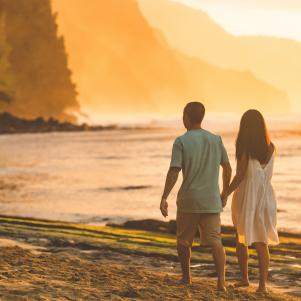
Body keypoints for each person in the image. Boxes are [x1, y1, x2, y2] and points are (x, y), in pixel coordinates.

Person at [160, 102, 232, 291]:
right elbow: (227, 167)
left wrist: (164, 197)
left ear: (186, 116)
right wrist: (224, 193)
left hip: (189, 200)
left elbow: (174, 171)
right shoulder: (216, 139)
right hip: (211, 200)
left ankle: (186, 278)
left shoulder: (181, 141)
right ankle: (221, 283)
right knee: (216, 241)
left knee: (184, 241)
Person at [221, 109, 279, 293]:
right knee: (262, 242)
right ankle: (261, 285)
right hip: (266, 198)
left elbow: (240, 176)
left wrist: (225, 193)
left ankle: (245, 278)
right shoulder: (272, 147)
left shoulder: (245, 148)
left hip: (247, 196)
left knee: (241, 237)